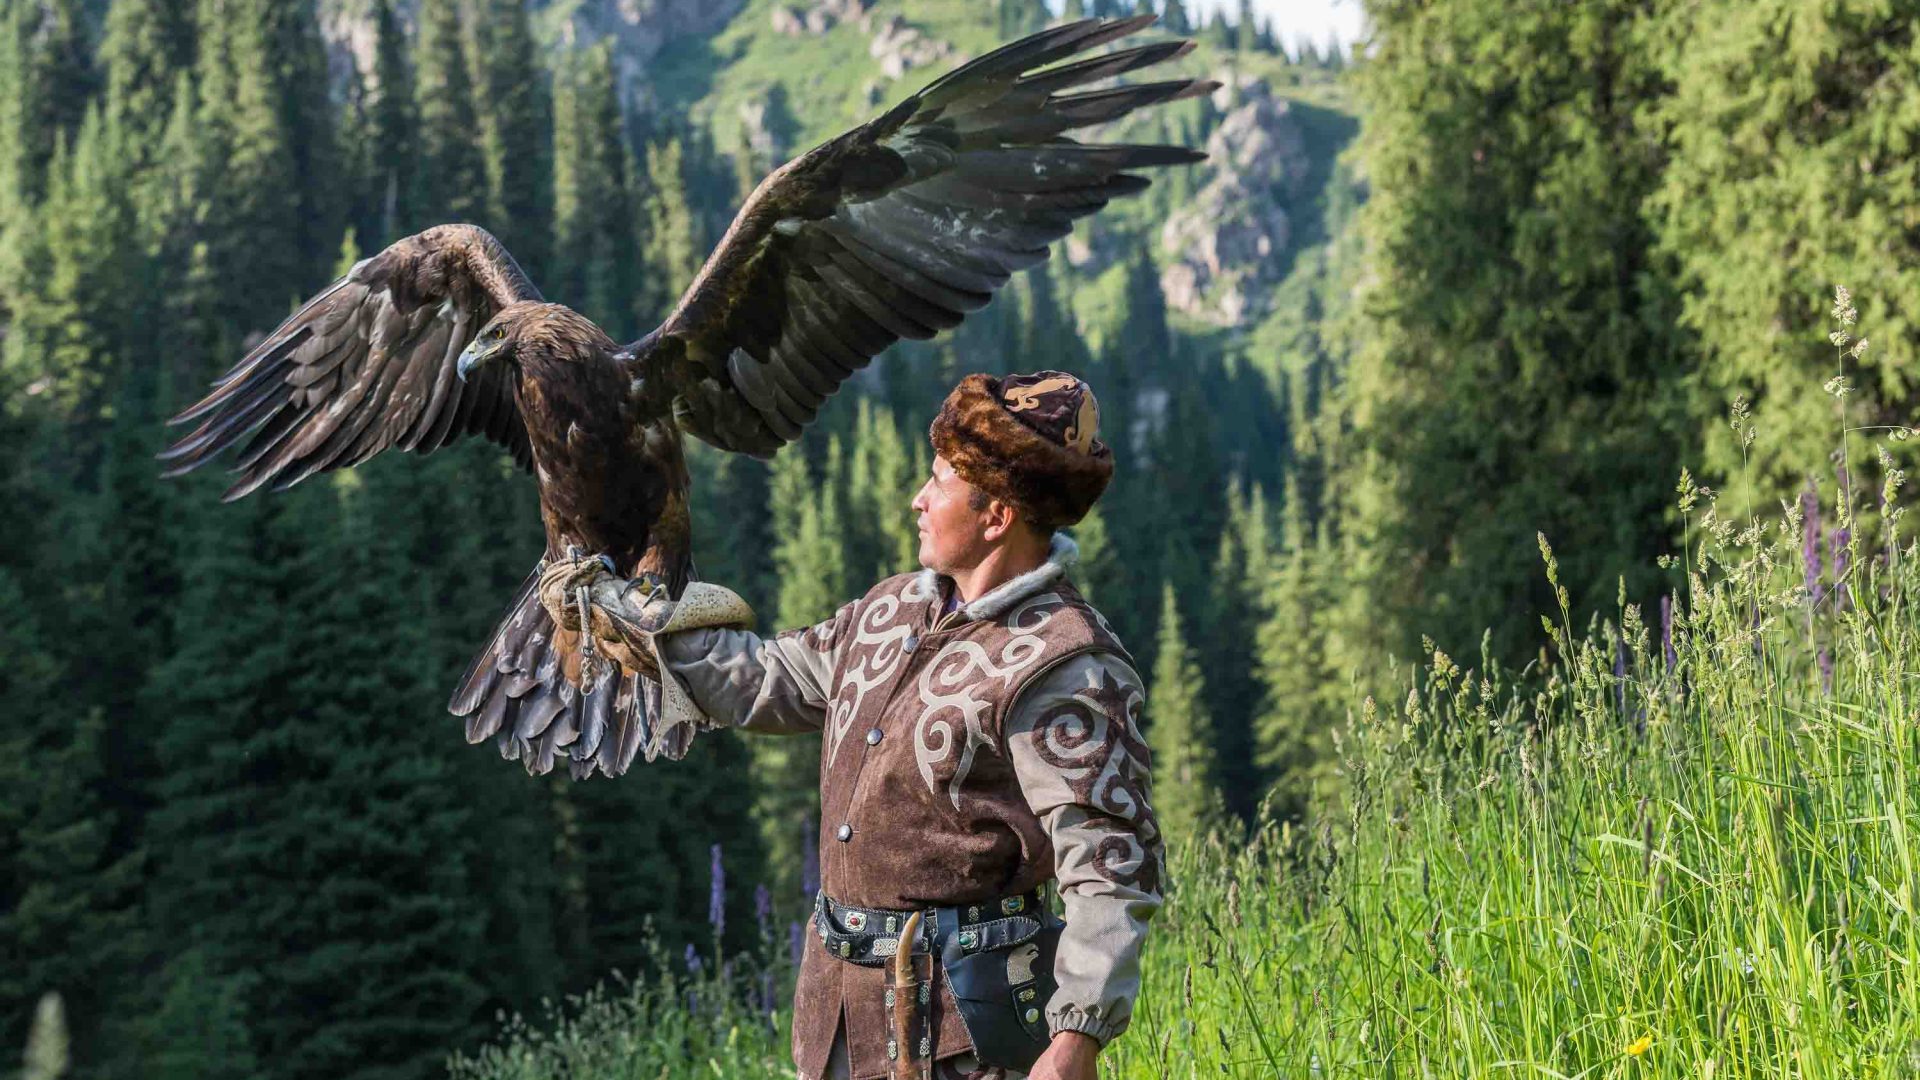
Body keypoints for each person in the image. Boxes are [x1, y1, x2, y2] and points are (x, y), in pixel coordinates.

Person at [540, 371, 1162, 1080]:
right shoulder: (890, 609)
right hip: (837, 1018)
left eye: (938, 483)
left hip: (973, 1035)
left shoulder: (1065, 665)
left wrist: (1076, 1036)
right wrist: (642, 628)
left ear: (996, 517)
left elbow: (1112, 868)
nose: (917, 500)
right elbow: (770, 678)